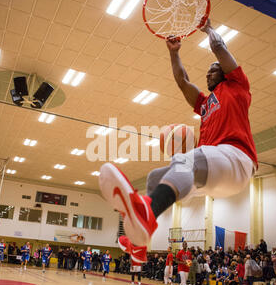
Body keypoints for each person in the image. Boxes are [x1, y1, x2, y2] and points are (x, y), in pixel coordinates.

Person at [99, 18, 258, 262]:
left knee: (184, 160)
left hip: (237, 159)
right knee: (155, 177)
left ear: (225, 73)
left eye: (213, 70)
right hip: (216, 171)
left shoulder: (238, 86)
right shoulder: (205, 104)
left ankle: (145, 217)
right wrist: (174, 54)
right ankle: (139, 241)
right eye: (207, 72)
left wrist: (208, 29)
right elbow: (183, 81)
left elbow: (220, 49)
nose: (208, 73)